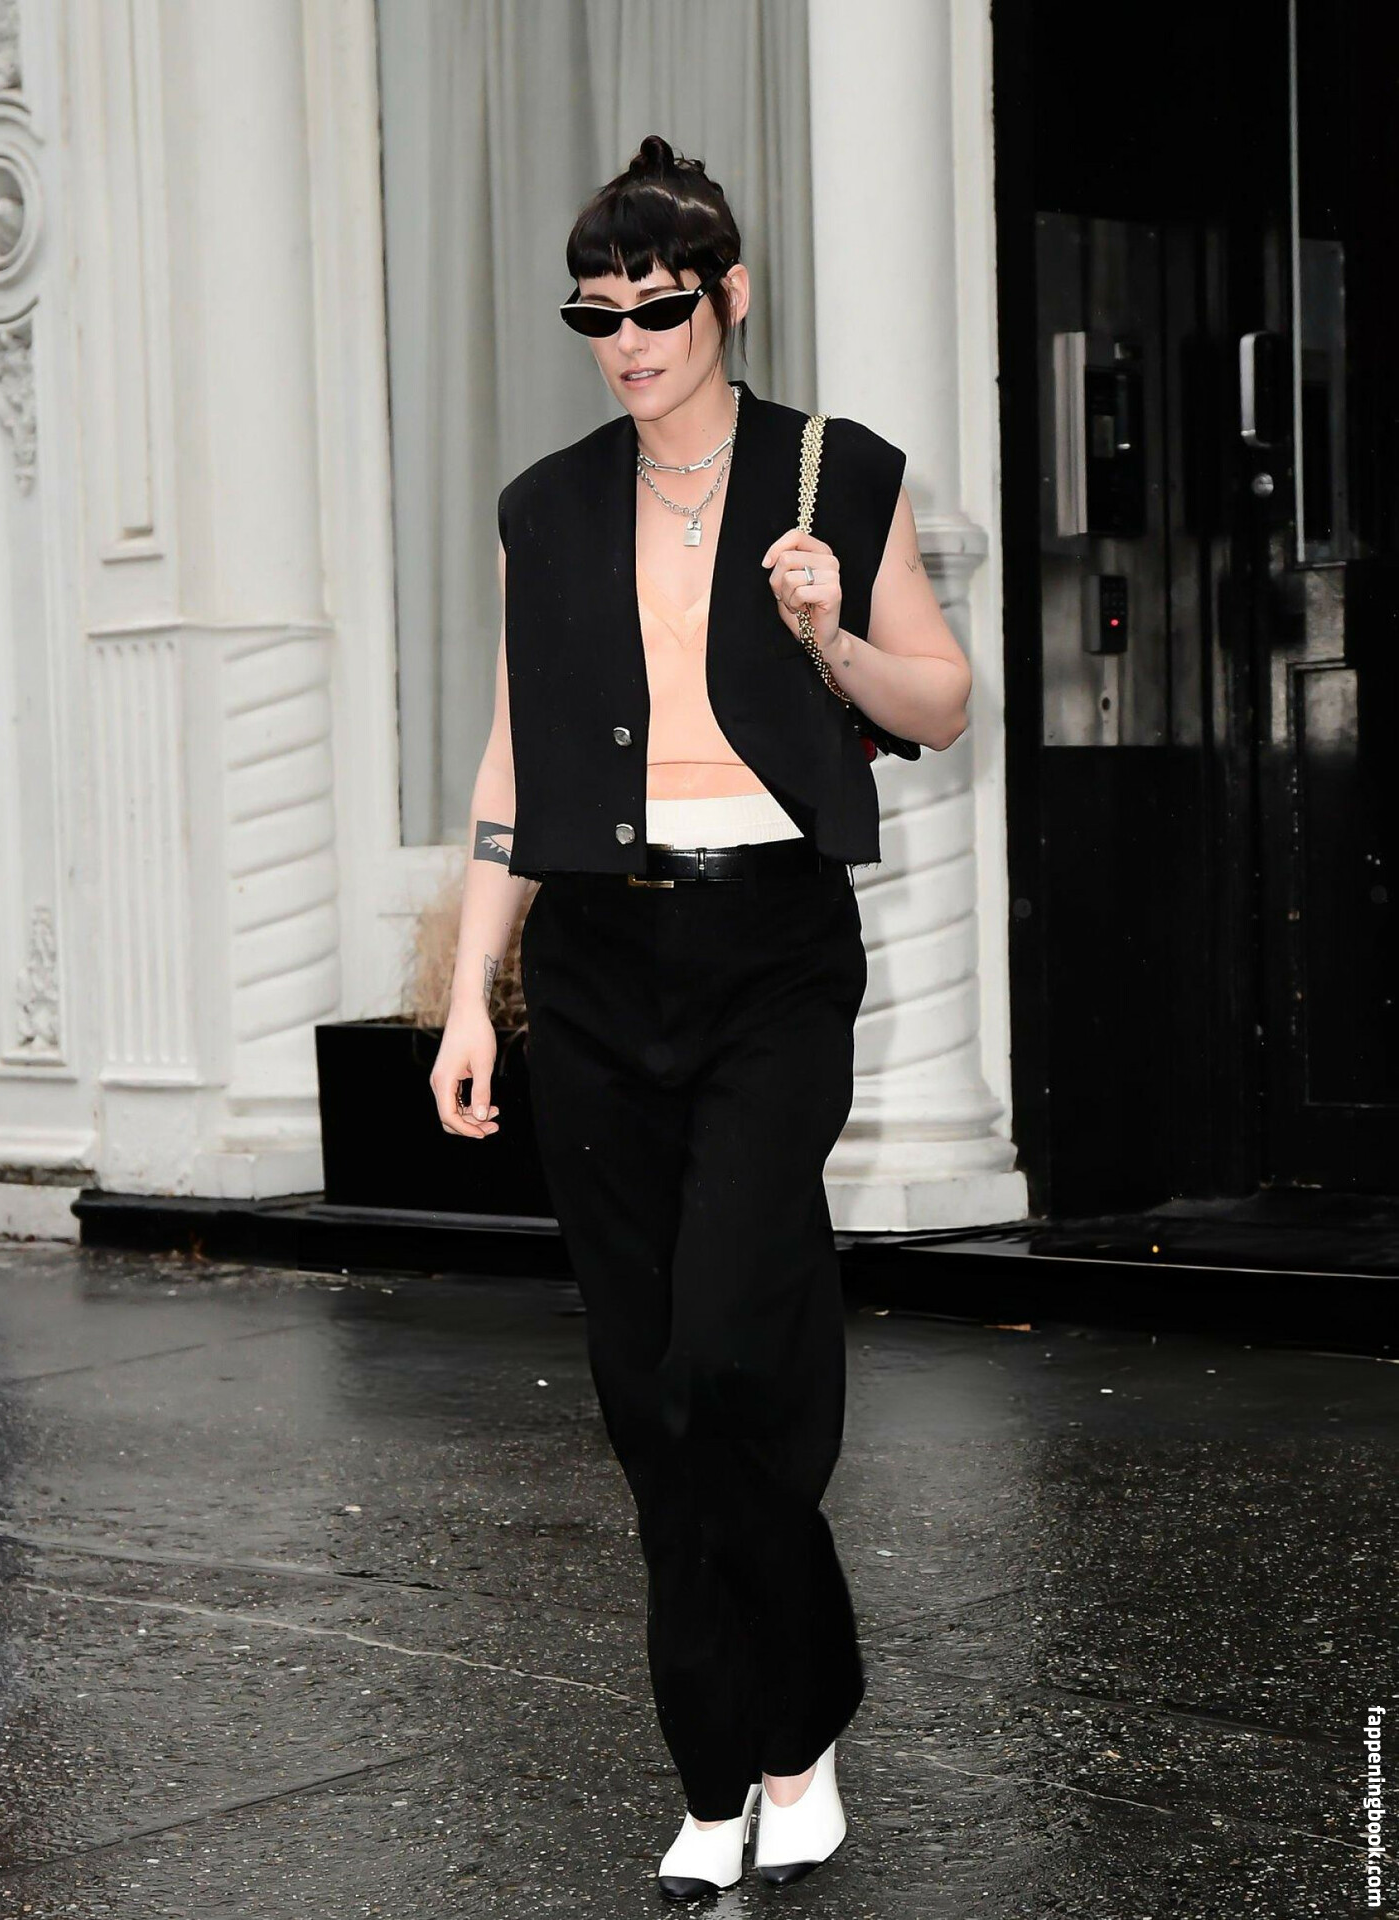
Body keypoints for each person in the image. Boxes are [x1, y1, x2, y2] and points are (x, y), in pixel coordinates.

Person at [432, 134, 971, 1898]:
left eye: (656, 310)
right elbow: (514, 760)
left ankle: (795, 1720)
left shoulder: (839, 472)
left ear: (728, 297)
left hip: (771, 952)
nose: (627, 344)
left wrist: (828, 634)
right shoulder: (544, 506)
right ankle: (725, 1764)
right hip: (597, 962)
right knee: (642, 1387)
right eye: (595, 316)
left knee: (723, 1353)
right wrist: (471, 995)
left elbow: (940, 703)